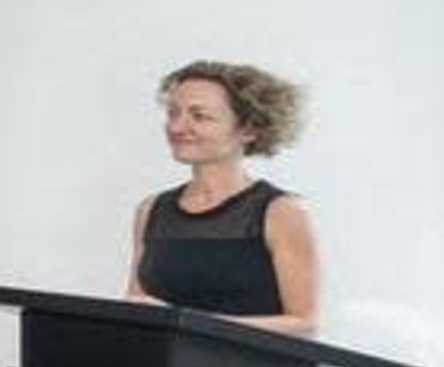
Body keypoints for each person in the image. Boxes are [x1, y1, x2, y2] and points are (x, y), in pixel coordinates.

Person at [126, 59, 318, 334]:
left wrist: (186, 323)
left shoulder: (282, 212)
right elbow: (137, 308)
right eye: (173, 113)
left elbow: (304, 324)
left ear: (249, 129)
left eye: (199, 116)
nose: (178, 127)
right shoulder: (151, 210)